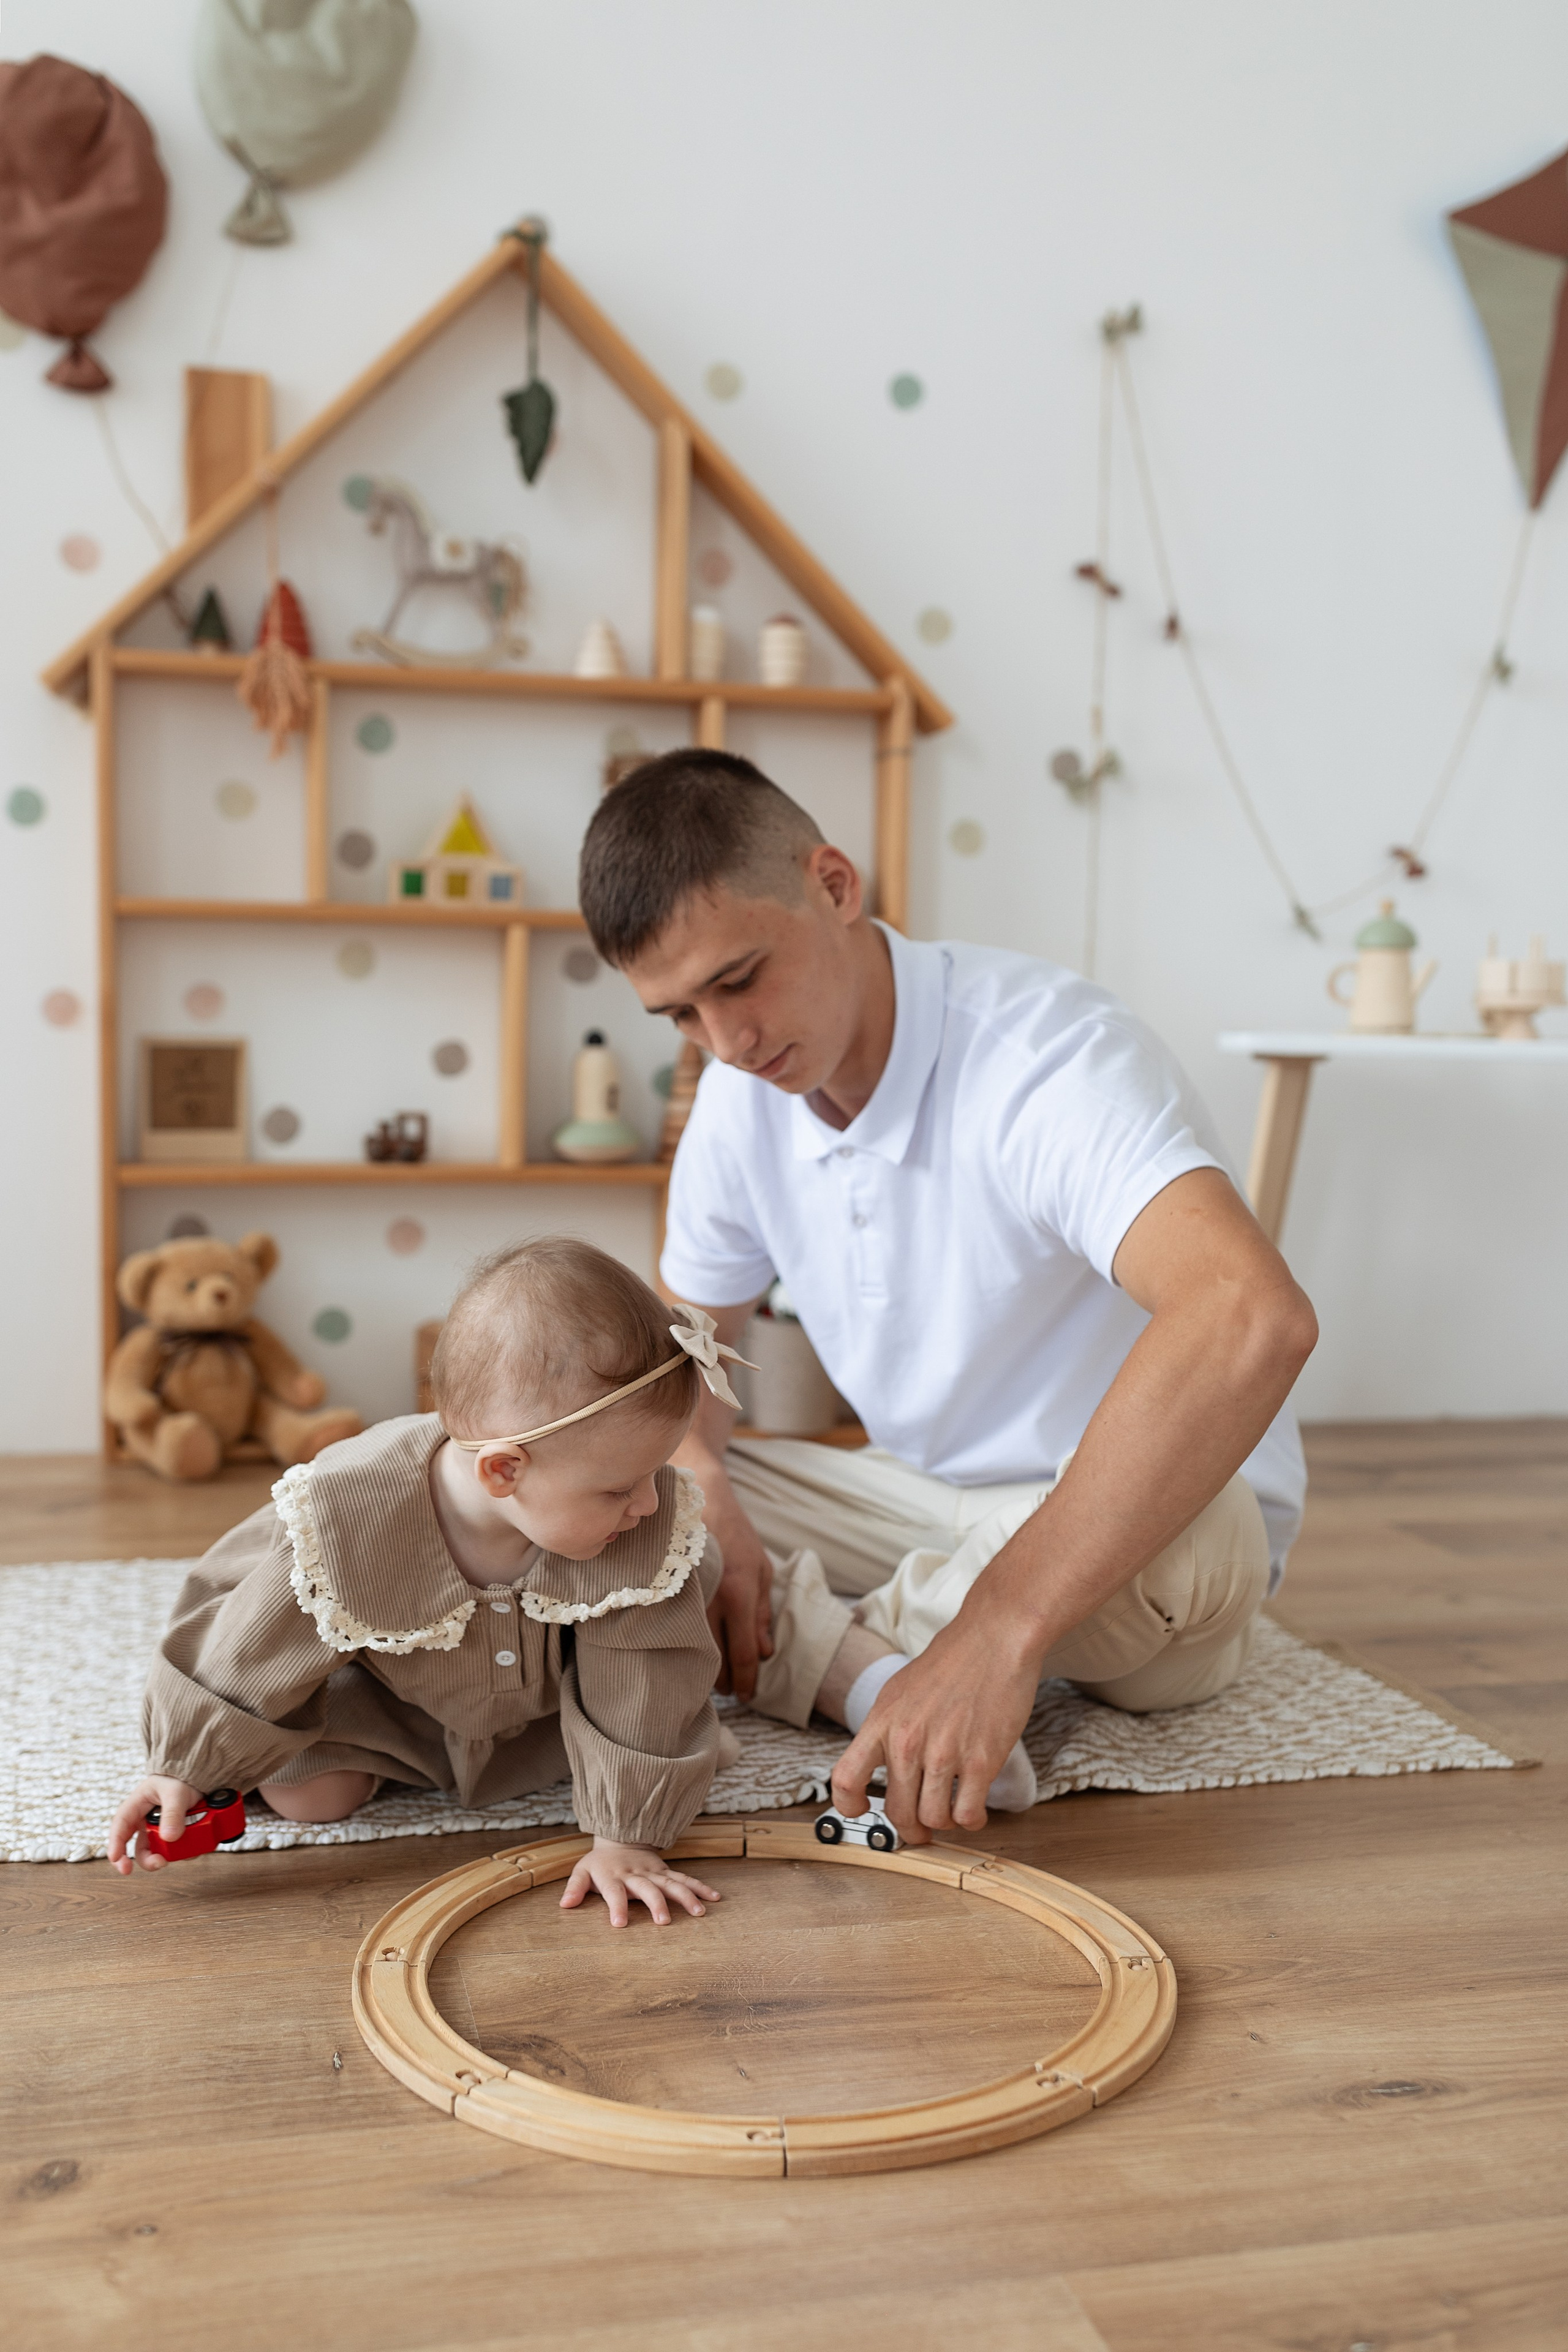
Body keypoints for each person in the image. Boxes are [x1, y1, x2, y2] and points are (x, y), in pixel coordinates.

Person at [578, 750, 1319, 1847]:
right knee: (591, 1476)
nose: (724, 1042)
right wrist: (697, 1479)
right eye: (679, 1015)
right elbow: (688, 1357)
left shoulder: (1045, 1058)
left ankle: (834, 1652)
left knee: (1197, 1527)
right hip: (924, 1501)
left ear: (835, 886)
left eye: (739, 979)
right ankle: (864, 1665)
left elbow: (1253, 1316)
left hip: (1155, 1539)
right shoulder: (740, 1102)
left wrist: (1000, 1626)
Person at [107, 1237, 751, 1929]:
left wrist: (626, 1836)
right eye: (622, 1486)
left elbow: (645, 1672)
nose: (650, 1504)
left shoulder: (634, 1527)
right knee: (309, 1796)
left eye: (655, 1474)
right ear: (503, 1471)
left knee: (662, 1709)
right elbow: (255, 1643)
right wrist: (187, 1764)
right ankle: (386, 1756)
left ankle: (628, 1749)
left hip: (545, 1712)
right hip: (396, 1698)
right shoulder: (354, 1516)